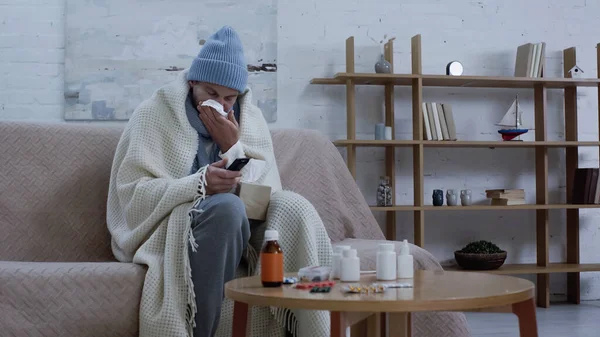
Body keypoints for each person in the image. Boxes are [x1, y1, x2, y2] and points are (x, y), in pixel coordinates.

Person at [106, 26, 332, 337]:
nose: (221, 104)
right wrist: (200, 185)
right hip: (179, 223)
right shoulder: (153, 114)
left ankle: (313, 330)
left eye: (229, 97)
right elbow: (133, 196)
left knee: (294, 205)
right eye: (211, 94)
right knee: (225, 208)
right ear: (193, 82)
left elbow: (265, 199)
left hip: (244, 226)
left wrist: (232, 146)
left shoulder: (249, 119)